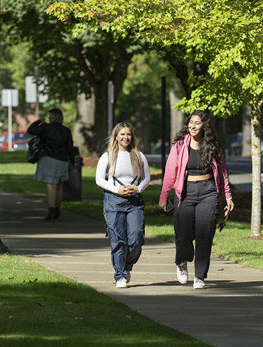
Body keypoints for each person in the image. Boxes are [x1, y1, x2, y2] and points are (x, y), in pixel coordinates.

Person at [159, 110, 234, 289]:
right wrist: (164, 195)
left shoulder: (213, 146)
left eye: (197, 122)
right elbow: (170, 171)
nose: (193, 126)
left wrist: (228, 195)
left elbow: (222, 172)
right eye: (191, 122)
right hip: (185, 192)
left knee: (205, 234)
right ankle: (182, 262)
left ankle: (200, 276)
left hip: (208, 191)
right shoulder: (179, 145)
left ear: (204, 126)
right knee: (183, 233)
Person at [95, 122, 150, 288]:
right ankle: (119, 275)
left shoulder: (138, 155)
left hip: (134, 202)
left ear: (132, 137)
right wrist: (116, 190)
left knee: (136, 238)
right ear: (116, 136)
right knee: (118, 240)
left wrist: (138, 188)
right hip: (113, 201)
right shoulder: (108, 156)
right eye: (122, 134)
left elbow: (147, 178)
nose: (126, 137)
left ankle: (126, 267)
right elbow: (99, 179)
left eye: (128, 134)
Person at [27, 108, 74, 220]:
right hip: (63, 160)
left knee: (50, 185)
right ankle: (57, 209)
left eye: (50, 116)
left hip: (49, 158)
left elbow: (30, 130)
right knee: (59, 185)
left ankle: (52, 211)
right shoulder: (66, 130)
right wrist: (71, 160)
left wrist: (39, 121)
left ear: (52, 117)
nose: (48, 118)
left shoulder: (46, 128)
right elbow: (70, 147)